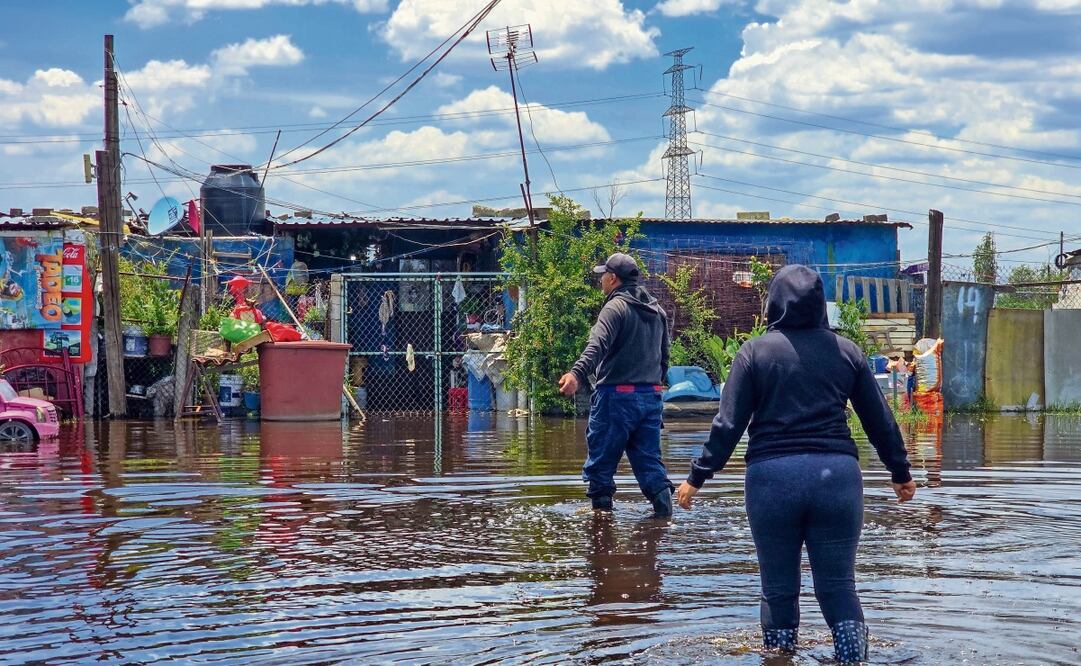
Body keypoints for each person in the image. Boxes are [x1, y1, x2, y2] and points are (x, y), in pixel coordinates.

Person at [675, 264, 917, 663]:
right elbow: (880, 420)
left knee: (778, 588)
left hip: (773, 480)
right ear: (819, 303)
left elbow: (729, 424)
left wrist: (697, 476)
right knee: (838, 585)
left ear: (774, 302)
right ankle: (852, 660)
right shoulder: (848, 352)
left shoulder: (753, 352)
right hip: (837, 480)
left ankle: (779, 657)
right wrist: (900, 472)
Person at [558, 252, 673, 518]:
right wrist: (653, 388)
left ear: (612, 279)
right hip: (651, 398)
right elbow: (664, 358)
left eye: (603, 276)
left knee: (600, 468)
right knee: (650, 466)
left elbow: (596, 345)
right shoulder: (658, 311)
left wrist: (576, 374)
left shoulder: (615, 308)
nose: (600, 281)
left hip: (616, 398)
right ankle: (665, 523)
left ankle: (601, 531)